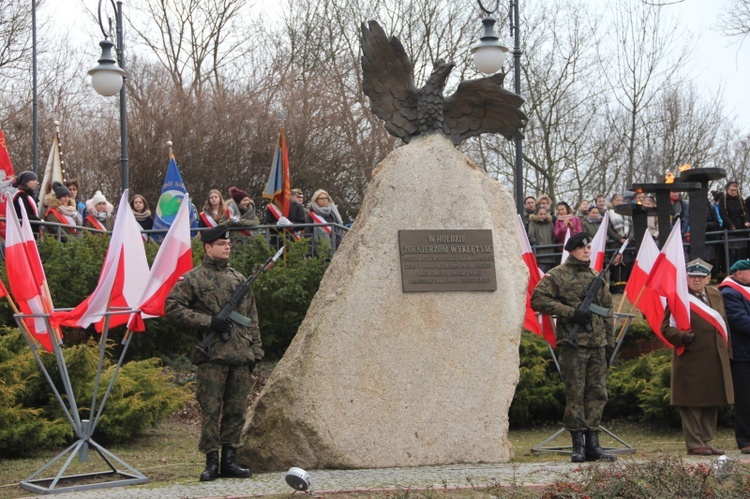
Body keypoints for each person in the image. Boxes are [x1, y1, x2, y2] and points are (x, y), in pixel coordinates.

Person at [165, 226, 262, 481]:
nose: (227, 246)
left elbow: (251, 317)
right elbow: (172, 308)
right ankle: (212, 461)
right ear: (208, 247)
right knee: (210, 409)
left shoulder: (239, 279)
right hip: (212, 356)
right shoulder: (193, 279)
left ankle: (230, 459)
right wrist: (208, 322)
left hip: (241, 354)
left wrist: (257, 350)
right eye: (221, 243)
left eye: (228, 243)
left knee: (236, 410)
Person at [531, 232, 616, 463]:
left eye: (589, 247)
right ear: (571, 250)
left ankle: (593, 445)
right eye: (582, 248)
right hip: (573, 343)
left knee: (598, 393)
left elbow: (607, 310)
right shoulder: (557, 275)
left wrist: (610, 342)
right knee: (575, 394)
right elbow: (537, 299)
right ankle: (577, 445)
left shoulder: (596, 275)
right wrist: (570, 312)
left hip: (597, 344)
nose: (587, 251)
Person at [661, 258, 733, 456]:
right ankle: (694, 443)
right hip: (691, 358)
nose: (696, 280)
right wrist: (682, 337)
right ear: (687, 277)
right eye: (692, 276)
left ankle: (706, 441)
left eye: (701, 277)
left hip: (715, 356)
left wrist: (728, 352)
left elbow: (724, 323)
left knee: (712, 399)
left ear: (708, 278)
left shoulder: (715, 294)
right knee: (692, 402)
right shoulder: (679, 297)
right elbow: (666, 328)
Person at [718, 259, 750, 454]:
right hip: (742, 355)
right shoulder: (729, 293)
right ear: (739, 274)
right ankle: (745, 440)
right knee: (745, 400)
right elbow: (741, 321)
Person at [718, 181, 750, 265]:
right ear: (727, 190)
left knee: (741, 253)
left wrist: (746, 221)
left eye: (735, 190)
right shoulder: (723, 200)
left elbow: (745, 212)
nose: (734, 192)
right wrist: (730, 225)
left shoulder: (740, 199)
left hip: (741, 229)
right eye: (732, 190)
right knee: (732, 254)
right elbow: (723, 214)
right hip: (730, 230)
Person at [527, 205, 557, 273]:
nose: (543, 216)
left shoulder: (550, 223)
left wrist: (552, 244)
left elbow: (553, 235)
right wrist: (535, 243)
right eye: (540, 214)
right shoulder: (533, 223)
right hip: (539, 255)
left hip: (550, 254)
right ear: (536, 214)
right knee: (541, 274)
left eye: (544, 214)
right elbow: (530, 235)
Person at [12, 170, 42, 234]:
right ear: (25, 182)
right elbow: (23, 214)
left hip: (31, 230)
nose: (36, 183)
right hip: (24, 231)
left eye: (36, 180)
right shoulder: (20, 195)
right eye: (33, 180)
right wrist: (39, 221)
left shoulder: (30, 196)